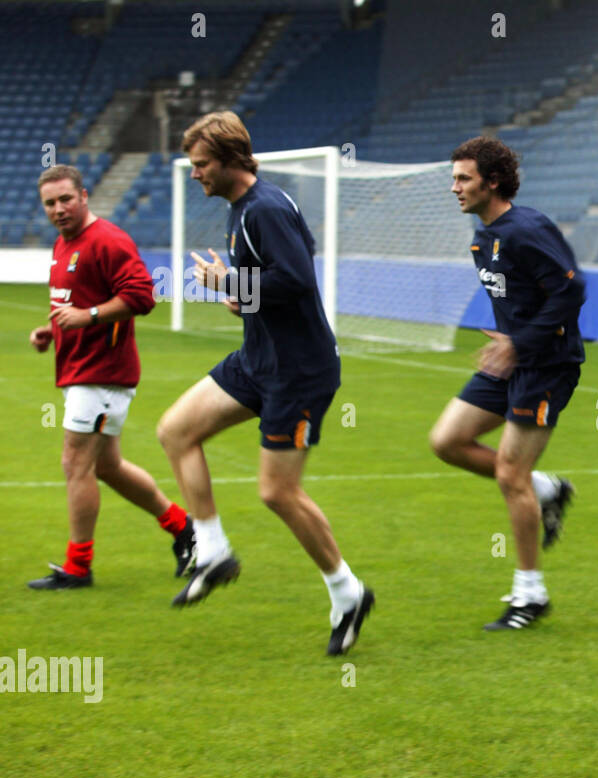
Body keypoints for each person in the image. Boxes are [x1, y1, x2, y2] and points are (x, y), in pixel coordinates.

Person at [156, 111, 372, 656]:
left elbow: (298, 277)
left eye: (202, 165)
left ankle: (348, 592)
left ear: (230, 160)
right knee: (176, 430)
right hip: (259, 359)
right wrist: (244, 298)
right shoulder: (246, 209)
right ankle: (212, 550)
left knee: (276, 491)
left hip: (298, 371)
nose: (195, 174)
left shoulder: (265, 208)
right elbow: (288, 271)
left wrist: (228, 281)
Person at [430, 137, 581, 631]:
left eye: (463, 179)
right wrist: (510, 341)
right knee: (447, 440)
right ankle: (547, 489)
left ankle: (529, 595)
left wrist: (523, 341)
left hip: (546, 365)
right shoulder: (482, 238)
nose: (454, 187)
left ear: (492, 182)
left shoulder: (527, 229)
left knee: (508, 477)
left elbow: (572, 289)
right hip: (512, 360)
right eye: (453, 178)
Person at [27, 164, 194, 590]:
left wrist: (88, 316)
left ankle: (78, 568)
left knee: (75, 463)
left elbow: (141, 295)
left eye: (66, 199)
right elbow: (78, 301)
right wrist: (54, 329)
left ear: (84, 196)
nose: (59, 209)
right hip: (83, 370)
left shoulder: (107, 240)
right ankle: (184, 529)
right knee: (108, 466)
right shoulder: (64, 245)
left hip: (102, 374)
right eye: (50, 203)